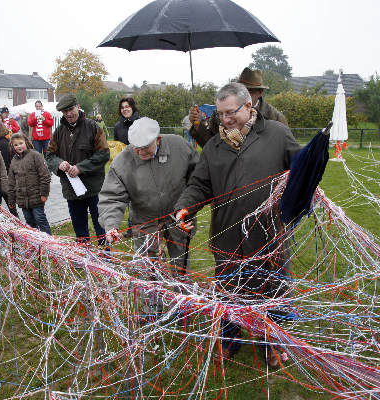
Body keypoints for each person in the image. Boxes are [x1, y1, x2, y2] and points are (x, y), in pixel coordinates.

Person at [174, 83, 300, 363]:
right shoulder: (215, 146)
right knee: (229, 292)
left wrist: (299, 198)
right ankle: (230, 342)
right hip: (227, 235)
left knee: (272, 292)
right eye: (220, 114)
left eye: (230, 112)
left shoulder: (277, 134)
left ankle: (274, 347)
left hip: (269, 233)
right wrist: (185, 207)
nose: (225, 119)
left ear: (248, 106)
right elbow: (199, 184)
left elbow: (300, 172)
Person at [99, 117, 199, 277]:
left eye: (144, 148)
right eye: (136, 148)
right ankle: (153, 302)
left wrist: (188, 208)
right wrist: (111, 224)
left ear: (158, 139)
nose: (139, 152)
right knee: (149, 271)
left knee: (181, 267)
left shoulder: (178, 146)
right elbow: (112, 196)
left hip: (178, 219)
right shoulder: (123, 161)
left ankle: (181, 298)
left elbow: (197, 178)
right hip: (145, 222)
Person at [46, 94, 109, 245]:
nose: (68, 114)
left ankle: (106, 256)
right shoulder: (59, 132)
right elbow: (49, 155)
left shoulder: (93, 127)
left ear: (78, 106)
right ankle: (83, 254)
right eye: (64, 111)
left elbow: (103, 154)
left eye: (71, 109)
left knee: (100, 224)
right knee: (79, 227)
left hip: (94, 188)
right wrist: (59, 163)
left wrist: (81, 168)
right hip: (71, 189)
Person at [189, 68, 288, 148]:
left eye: (250, 91)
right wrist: (198, 125)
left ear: (260, 92)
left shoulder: (276, 118)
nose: (245, 95)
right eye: (241, 90)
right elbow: (210, 146)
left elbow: (284, 152)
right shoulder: (219, 115)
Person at [8, 132, 51, 234]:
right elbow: (11, 182)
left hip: (36, 196)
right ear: (12, 147)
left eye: (21, 143)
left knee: (40, 219)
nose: (19, 146)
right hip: (23, 199)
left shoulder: (35, 155)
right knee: (30, 222)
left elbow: (45, 176)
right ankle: (35, 243)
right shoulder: (13, 161)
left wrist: (44, 193)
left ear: (26, 142)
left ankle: (48, 241)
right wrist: (11, 200)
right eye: (16, 145)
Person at [0, 121, 18, 217]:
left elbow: (4, 161)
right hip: (6, 175)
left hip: (4, 176)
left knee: (6, 201)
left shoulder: (1, 144)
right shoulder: (4, 141)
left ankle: (16, 220)